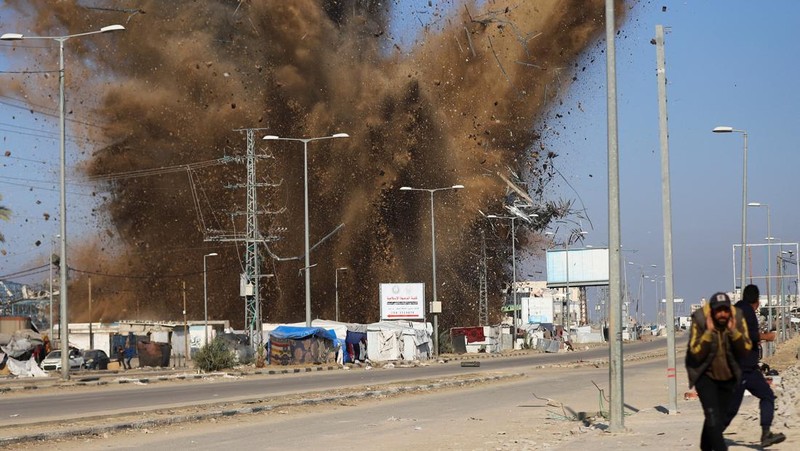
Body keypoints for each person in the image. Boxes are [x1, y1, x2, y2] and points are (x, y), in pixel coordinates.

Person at [686, 292, 752, 451]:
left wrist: (733, 332)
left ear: (730, 310)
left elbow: (746, 349)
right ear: (712, 311)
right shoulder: (700, 318)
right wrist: (708, 333)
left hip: (728, 375)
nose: (722, 314)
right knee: (712, 416)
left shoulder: (738, 318)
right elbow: (695, 353)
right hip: (704, 374)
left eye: (725, 310)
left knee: (718, 418)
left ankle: (705, 446)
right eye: (718, 310)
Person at [724, 284, 786, 447]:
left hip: (746, 368)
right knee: (733, 408)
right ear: (756, 301)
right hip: (742, 369)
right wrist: (766, 336)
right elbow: (746, 334)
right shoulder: (747, 311)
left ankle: (766, 434)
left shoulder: (736, 309)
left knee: (766, 395)